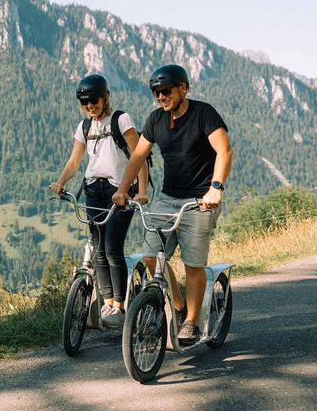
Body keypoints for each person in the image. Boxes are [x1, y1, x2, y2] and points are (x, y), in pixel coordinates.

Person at [112, 64, 233, 345]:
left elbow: (224, 150)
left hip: (200, 200)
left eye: (166, 91)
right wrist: (121, 189)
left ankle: (191, 321)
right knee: (152, 256)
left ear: (184, 88)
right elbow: (137, 156)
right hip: (167, 198)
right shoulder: (156, 120)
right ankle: (177, 303)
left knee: (193, 265)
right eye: (156, 93)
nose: (161, 97)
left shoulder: (204, 113)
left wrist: (216, 188)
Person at [50, 74, 149, 328]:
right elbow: (74, 162)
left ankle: (119, 306)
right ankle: (107, 302)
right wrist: (61, 182)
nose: (90, 105)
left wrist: (141, 191)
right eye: (85, 102)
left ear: (105, 98)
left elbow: (139, 154)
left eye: (94, 100)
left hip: (120, 189)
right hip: (94, 190)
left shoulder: (120, 119)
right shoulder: (85, 127)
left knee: (112, 248)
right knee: (97, 249)